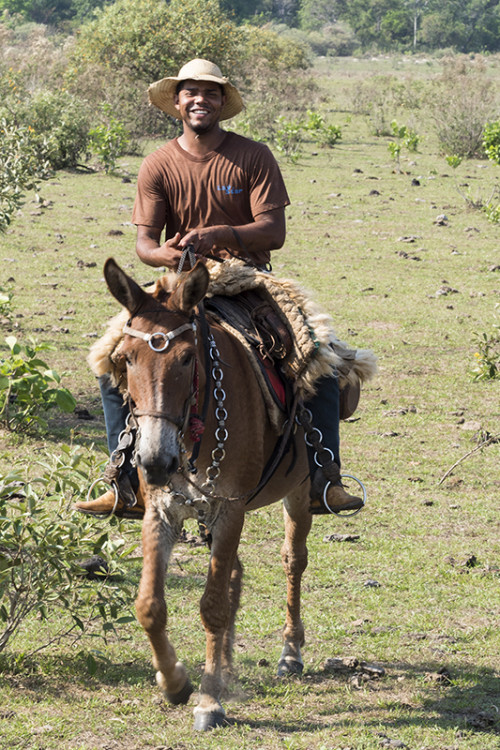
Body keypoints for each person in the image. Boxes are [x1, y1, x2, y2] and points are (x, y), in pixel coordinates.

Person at [75, 58, 363, 518]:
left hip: (245, 278)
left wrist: (219, 236)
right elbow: (145, 243)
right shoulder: (158, 164)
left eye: (210, 93)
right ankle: (124, 481)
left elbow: (273, 232)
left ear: (222, 103)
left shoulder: (253, 156)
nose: (199, 100)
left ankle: (324, 477)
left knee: (317, 353)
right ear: (176, 101)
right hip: (178, 285)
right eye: (190, 92)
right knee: (112, 355)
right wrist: (168, 255)